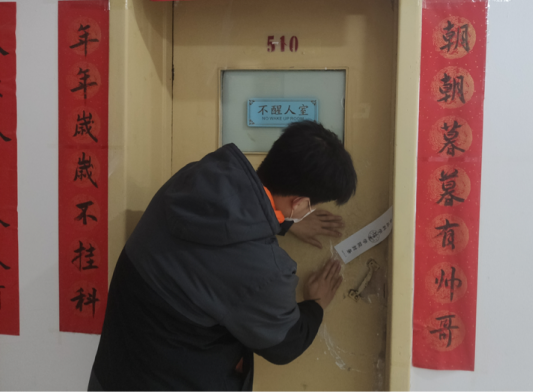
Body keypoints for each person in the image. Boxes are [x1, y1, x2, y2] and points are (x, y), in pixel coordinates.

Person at [88, 121, 357, 392]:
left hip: (112, 370)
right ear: (299, 203)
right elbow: (285, 344)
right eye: (310, 206)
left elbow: (230, 217)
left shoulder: (198, 177)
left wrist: (283, 221)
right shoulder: (264, 273)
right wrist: (316, 304)